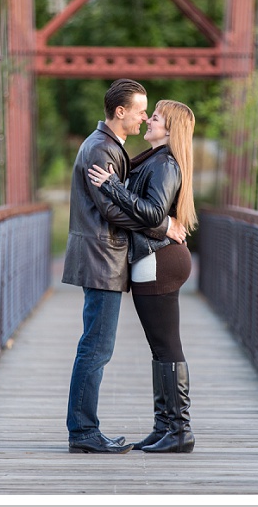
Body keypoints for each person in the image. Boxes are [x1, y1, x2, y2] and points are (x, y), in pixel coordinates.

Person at [62, 79, 188, 454]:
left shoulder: (121, 150)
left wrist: (158, 219)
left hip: (113, 259)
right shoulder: (103, 149)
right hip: (103, 259)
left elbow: (128, 204)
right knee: (96, 349)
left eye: (152, 114)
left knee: (104, 347)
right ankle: (84, 431)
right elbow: (113, 209)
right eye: (140, 110)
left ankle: (170, 428)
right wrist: (165, 225)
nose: (144, 117)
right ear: (121, 112)